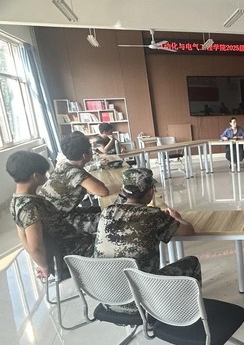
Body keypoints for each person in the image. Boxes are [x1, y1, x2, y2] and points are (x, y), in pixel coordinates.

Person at [94, 168, 201, 312]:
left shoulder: (107, 212)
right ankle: (185, 313)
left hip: (108, 298)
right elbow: (188, 231)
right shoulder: (153, 215)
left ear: (123, 191)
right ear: (151, 192)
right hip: (144, 301)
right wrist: (176, 218)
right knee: (192, 262)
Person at [7, 151, 94, 279]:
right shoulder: (30, 207)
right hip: (78, 252)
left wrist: (41, 263)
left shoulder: (17, 201)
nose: (47, 176)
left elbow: (22, 236)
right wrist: (44, 266)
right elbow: (35, 247)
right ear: (36, 176)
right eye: (44, 173)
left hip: (76, 244)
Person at [39, 132, 110, 234]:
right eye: (90, 150)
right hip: (59, 221)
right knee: (110, 219)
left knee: (103, 209)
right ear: (85, 155)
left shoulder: (65, 166)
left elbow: (92, 189)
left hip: (59, 214)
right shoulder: (75, 172)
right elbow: (103, 191)